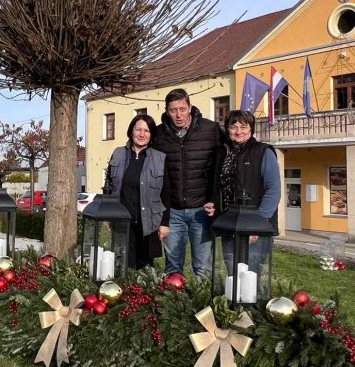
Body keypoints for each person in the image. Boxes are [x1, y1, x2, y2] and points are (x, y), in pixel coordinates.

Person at [152, 88, 225, 278]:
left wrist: (218, 200)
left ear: (190, 108)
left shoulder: (211, 130)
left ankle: (201, 306)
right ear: (167, 111)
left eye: (182, 109)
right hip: (173, 212)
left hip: (201, 210)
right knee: (173, 268)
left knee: (203, 268)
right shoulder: (158, 135)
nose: (178, 115)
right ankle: (173, 306)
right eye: (173, 110)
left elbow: (227, 161)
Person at [205, 110, 281, 274]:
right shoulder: (224, 153)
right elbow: (222, 187)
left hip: (255, 228)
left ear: (251, 128)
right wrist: (214, 204)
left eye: (243, 126)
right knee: (232, 276)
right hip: (229, 225)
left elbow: (273, 190)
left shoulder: (263, 152)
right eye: (233, 127)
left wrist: (257, 225)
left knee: (250, 277)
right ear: (227, 129)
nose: (238, 131)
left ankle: (250, 301)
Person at [108, 115, 171, 269]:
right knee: (122, 264)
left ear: (151, 135)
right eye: (138, 129)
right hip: (122, 220)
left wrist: (164, 223)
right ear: (131, 131)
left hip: (149, 221)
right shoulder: (118, 154)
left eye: (147, 131)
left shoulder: (159, 158)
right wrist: (107, 215)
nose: (142, 134)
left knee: (146, 268)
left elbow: (166, 193)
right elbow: (109, 186)